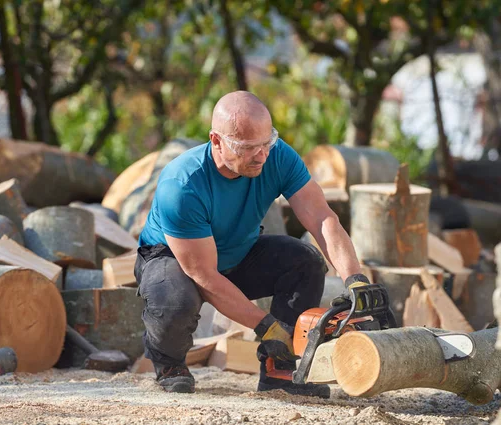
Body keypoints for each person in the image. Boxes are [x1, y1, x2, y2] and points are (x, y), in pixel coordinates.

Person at [134, 90, 376, 397]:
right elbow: (204, 276)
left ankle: (280, 372)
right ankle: (169, 363)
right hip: (173, 260)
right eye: (248, 148)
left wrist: (355, 280)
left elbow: (321, 218)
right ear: (216, 141)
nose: (262, 155)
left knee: (305, 262)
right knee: (177, 301)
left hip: (236, 250)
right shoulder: (182, 186)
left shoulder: (277, 156)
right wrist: (267, 327)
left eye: (266, 143)